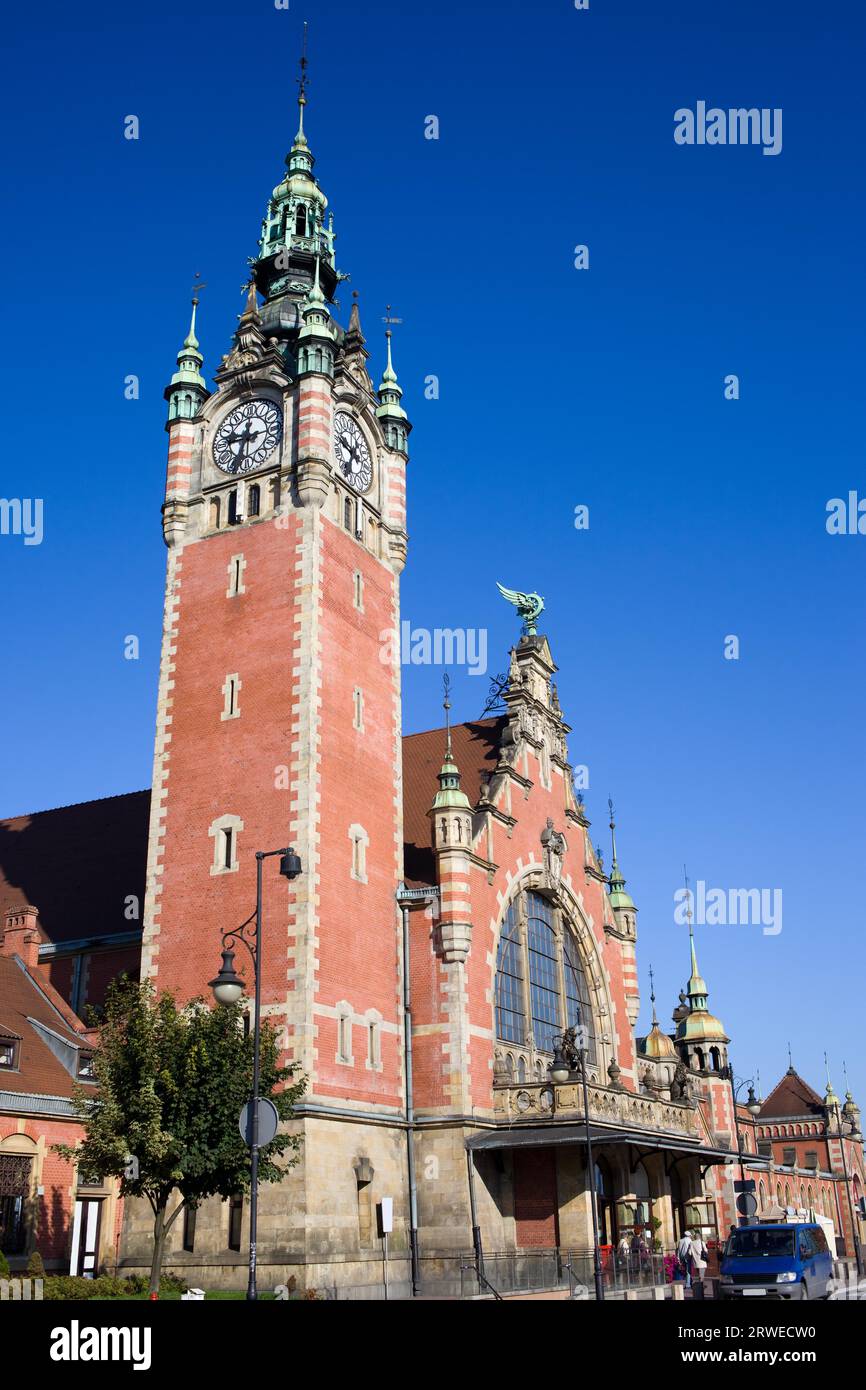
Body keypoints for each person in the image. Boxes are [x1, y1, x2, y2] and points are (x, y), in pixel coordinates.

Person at [689, 1229, 709, 1298]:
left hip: (696, 1262)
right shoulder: (702, 1242)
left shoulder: (691, 1243)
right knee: (702, 1276)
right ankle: (700, 1287)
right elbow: (706, 1250)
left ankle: (701, 1286)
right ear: (699, 1237)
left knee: (700, 1275)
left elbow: (690, 1253)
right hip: (702, 1261)